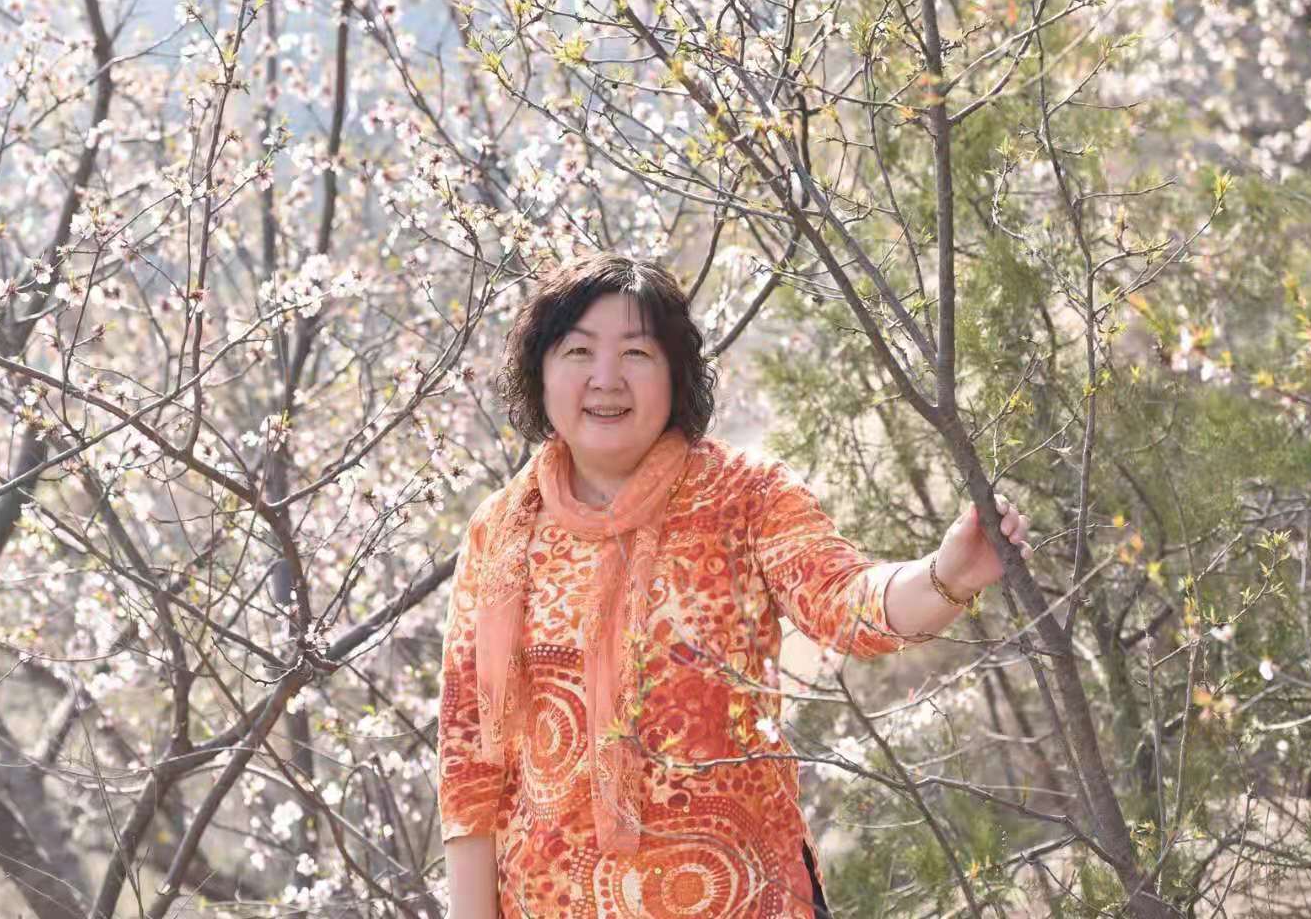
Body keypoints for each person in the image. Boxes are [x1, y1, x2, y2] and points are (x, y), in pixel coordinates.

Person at [438, 252, 1028, 918]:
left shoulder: (745, 494)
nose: (606, 378)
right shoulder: (499, 533)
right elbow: (469, 764)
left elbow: (843, 601)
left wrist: (946, 575)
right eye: (578, 351)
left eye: (636, 353)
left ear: (675, 374)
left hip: (746, 897)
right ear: (539, 371)